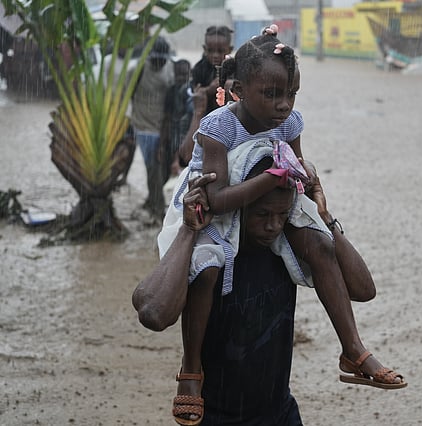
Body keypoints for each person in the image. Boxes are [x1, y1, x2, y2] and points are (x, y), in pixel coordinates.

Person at [156, 24, 406, 424]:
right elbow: (217, 199)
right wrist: (272, 179)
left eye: (290, 94)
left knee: (321, 246)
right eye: (271, 94)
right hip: (212, 208)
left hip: (268, 196)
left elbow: (296, 171)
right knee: (206, 270)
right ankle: (191, 370)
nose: (283, 105)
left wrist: (313, 202)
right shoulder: (220, 126)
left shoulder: (289, 124)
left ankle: (353, 349)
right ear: (238, 89)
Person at [133, 153, 385, 425]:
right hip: (215, 417)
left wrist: (322, 216)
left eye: (281, 214)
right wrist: (188, 230)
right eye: (262, 214)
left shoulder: (288, 247)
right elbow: (153, 313)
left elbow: (363, 289)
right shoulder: (211, 258)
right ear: (238, 207)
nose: (273, 226)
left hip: (280, 413)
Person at [130, 36, 175, 219]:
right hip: (143, 127)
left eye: (162, 59)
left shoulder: (170, 70)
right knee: (153, 167)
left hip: (163, 128)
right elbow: (128, 94)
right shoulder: (137, 69)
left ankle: (153, 199)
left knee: (162, 168)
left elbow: (172, 99)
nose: (159, 62)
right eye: (156, 58)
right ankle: (157, 208)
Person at [190, 25, 234, 115]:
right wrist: (210, 89)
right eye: (210, 51)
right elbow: (196, 93)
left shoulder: (234, 67)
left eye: (220, 51)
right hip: (206, 113)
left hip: (230, 112)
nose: (215, 55)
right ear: (205, 49)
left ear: (230, 50)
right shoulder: (200, 68)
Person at [161, 58, 192, 180]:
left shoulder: (191, 91)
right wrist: (162, 145)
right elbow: (166, 118)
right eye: (178, 74)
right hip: (172, 136)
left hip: (188, 136)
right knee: (165, 174)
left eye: (184, 74)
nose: (180, 78)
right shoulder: (171, 91)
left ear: (190, 73)